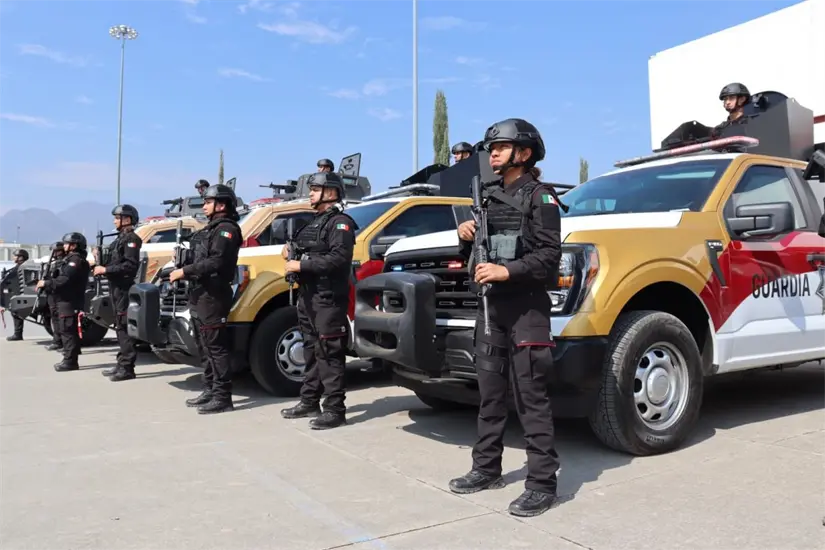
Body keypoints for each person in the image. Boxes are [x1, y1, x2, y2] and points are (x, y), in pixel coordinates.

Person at [450, 118, 564, 517]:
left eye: (500, 146)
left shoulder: (540, 197)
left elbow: (550, 257)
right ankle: (486, 469)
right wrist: (466, 236)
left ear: (524, 153)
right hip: (490, 308)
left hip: (526, 309)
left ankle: (542, 484)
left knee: (531, 397)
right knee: (490, 394)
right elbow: (478, 257)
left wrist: (507, 271)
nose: (492, 153)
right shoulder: (487, 196)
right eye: (490, 147)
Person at [280, 172, 356, 430]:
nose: (311, 193)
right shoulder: (314, 222)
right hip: (308, 295)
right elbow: (304, 249)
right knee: (311, 350)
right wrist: (290, 253)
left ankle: (335, 409)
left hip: (328, 298)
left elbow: (338, 259)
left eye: (316, 189)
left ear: (331, 192)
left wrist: (301, 263)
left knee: (329, 352)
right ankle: (309, 400)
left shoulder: (341, 223)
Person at [169, 184, 243, 414]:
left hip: (214, 294)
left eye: (208, 202)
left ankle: (223, 397)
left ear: (221, 205)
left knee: (216, 347)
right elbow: (203, 257)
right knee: (205, 346)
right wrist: (183, 259)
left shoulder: (226, 230)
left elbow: (216, 262)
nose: (204, 205)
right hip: (200, 293)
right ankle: (210, 388)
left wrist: (185, 271)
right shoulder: (209, 230)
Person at [94, 204, 143, 382]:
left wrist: (105, 270)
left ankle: (127, 367)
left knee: (124, 326)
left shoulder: (131, 239)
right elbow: (113, 260)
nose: (115, 221)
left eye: (117, 218)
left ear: (127, 219)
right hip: (116, 287)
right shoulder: (120, 239)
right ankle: (121, 363)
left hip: (123, 287)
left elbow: (130, 265)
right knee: (119, 326)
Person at [37, 233, 90, 372]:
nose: (64, 246)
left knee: (68, 331)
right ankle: (70, 357)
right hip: (65, 300)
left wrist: (46, 283)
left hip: (69, 301)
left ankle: (70, 361)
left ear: (74, 245)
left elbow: (64, 280)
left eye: (67, 243)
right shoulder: (70, 260)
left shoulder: (76, 261)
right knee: (67, 330)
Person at [1, 248, 29, 341]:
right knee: (15, 313)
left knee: (16, 313)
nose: (14, 257)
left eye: (15, 256)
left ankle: (18, 334)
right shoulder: (18, 267)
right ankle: (18, 334)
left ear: (21, 257)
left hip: (21, 294)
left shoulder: (23, 267)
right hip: (17, 293)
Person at [45, 241, 66, 351]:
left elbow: (59, 279)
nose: (54, 253)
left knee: (61, 320)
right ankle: (58, 341)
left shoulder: (63, 262)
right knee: (55, 318)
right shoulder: (54, 262)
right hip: (52, 293)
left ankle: (61, 342)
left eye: (56, 251)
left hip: (59, 294)